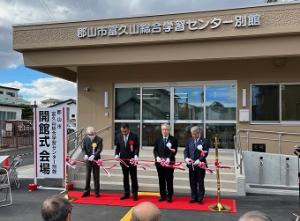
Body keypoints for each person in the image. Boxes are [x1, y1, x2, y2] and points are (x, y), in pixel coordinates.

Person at [183, 126, 210, 204]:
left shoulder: (204, 141)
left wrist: (199, 160)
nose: (193, 136)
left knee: (200, 182)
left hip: (200, 164)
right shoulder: (189, 140)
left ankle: (200, 198)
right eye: (192, 134)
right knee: (192, 181)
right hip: (191, 165)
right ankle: (193, 197)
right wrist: (186, 158)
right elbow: (186, 151)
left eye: (195, 134)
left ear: (199, 133)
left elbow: (205, 153)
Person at [153, 123, 178, 203]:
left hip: (169, 163)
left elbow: (174, 150)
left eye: (166, 129)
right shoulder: (158, 139)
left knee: (169, 179)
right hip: (159, 163)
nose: (164, 131)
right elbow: (155, 150)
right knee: (161, 179)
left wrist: (168, 158)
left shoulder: (173, 139)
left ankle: (169, 196)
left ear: (169, 130)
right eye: (163, 129)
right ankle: (162, 195)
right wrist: (157, 157)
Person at [115, 123, 139, 200]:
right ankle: (126, 193)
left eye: (125, 131)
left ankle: (135, 193)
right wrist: (116, 154)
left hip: (132, 160)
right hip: (123, 160)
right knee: (125, 177)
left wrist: (136, 155)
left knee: (133, 177)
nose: (124, 133)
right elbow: (118, 147)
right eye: (122, 131)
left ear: (128, 129)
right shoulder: (119, 136)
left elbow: (136, 147)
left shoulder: (134, 136)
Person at [81, 126, 103, 198]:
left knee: (96, 176)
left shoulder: (99, 139)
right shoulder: (85, 139)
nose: (90, 136)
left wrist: (94, 155)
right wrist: (85, 155)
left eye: (92, 134)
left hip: (96, 160)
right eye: (89, 134)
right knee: (88, 176)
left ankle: (97, 192)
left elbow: (99, 149)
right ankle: (86, 191)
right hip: (88, 160)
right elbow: (83, 149)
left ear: (94, 133)